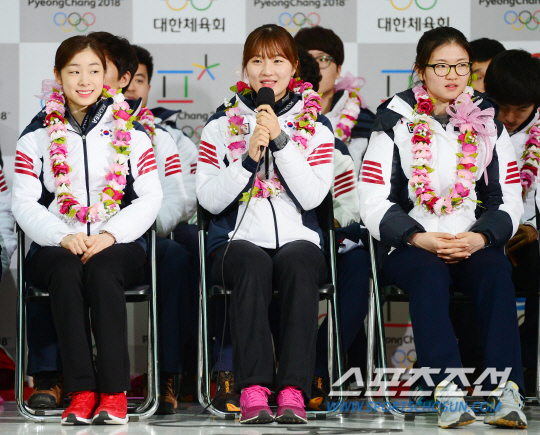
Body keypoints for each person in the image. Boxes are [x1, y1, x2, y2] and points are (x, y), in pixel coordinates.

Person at [358, 26, 526, 429]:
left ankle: (506, 391)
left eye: (462, 66)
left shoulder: (489, 119)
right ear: (421, 70)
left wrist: (480, 237)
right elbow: (373, 199)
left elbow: (508, 198)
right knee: (429, 274)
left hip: (472, 240)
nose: (453, 75)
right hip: (412, 244)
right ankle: (447, 390)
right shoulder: (394, 118)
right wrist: (418, 237)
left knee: (496, 272)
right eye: (441, 66)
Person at [12, 35, 163, 425]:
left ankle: (113, 393)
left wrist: (110, 235)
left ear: (106, 76)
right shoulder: (35, 136)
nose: (85, 80)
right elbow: (24, 203)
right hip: (56, 242)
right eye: (74, 71)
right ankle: (80, 392)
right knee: (65, 271)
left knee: (102, 268)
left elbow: (151, 198)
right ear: (58, 76)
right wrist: (62, 236)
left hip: (118, 242)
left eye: (94, 70)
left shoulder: (132, 131)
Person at [197, 24, 334, 424]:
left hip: (298, 238)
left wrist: (281, 141)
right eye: (257, 60)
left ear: (294, 68)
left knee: (299, 263)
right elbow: (208, 199)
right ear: (246, 67)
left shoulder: (317, 126)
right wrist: (247, 159)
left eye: (277, 60)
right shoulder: (219, 124)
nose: (267, 70)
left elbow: (313, 197)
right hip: (236, 240)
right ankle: (253, 388)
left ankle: (293, 389)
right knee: (251, 263)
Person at [485, 49, 540, 396]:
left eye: (520, 109)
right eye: (502, 106)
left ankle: (528, 369)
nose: (509, 117)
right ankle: (472, 364)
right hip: (483, 240)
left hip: (530, 244)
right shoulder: (471, 127)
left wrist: (534, 229)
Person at [294, 26, 375, 176]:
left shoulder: (366, 123)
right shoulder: (281, 117)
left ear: (338, 70)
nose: (314, 66)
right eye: (306, 59)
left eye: (323, 59)